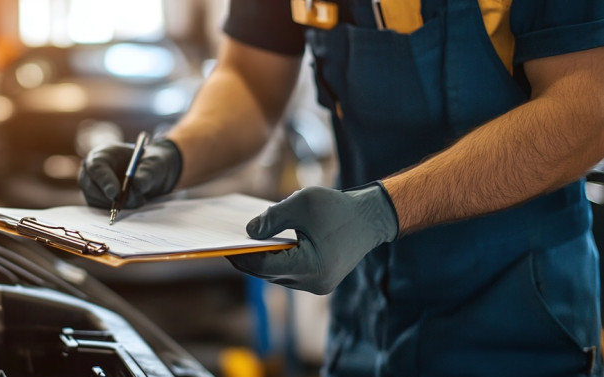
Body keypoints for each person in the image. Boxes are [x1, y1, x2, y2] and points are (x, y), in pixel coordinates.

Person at [77, 0, 604, 375]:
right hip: (364, 309)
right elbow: (250, 78)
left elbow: (586, 106)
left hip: (515, 316)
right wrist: (175, 154)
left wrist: (382, 211)